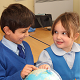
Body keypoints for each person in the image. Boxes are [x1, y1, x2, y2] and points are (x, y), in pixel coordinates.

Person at [36, 12, 80, 80]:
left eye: (64, 33)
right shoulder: (47, 54)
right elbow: (41, 70)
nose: (58, 37)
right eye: (55, 32)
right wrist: (43, 67)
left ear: (75, 36)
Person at [0, 3, 38, 80]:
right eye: (23, 31)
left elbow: (28, 65)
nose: (27, 34)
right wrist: (19, 75)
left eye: (28, 30)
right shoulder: (1, 54)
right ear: (7, 30)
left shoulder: (26, 46)